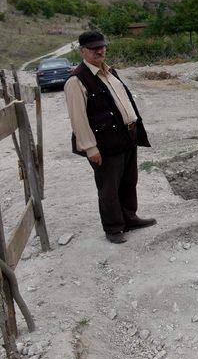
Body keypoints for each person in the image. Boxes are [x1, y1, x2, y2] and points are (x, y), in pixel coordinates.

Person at [64, 30, 156, 244]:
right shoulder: (76, 81)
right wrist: (90, 148)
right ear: (82, 51)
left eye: (102, 46)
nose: (100, 50)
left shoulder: (110, 72)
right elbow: (78, 119)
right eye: (94, 48)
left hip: (126, 136)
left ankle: (129, 218)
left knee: (129, 181)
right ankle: (113, 228)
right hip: (104, 143)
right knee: (108, 187)